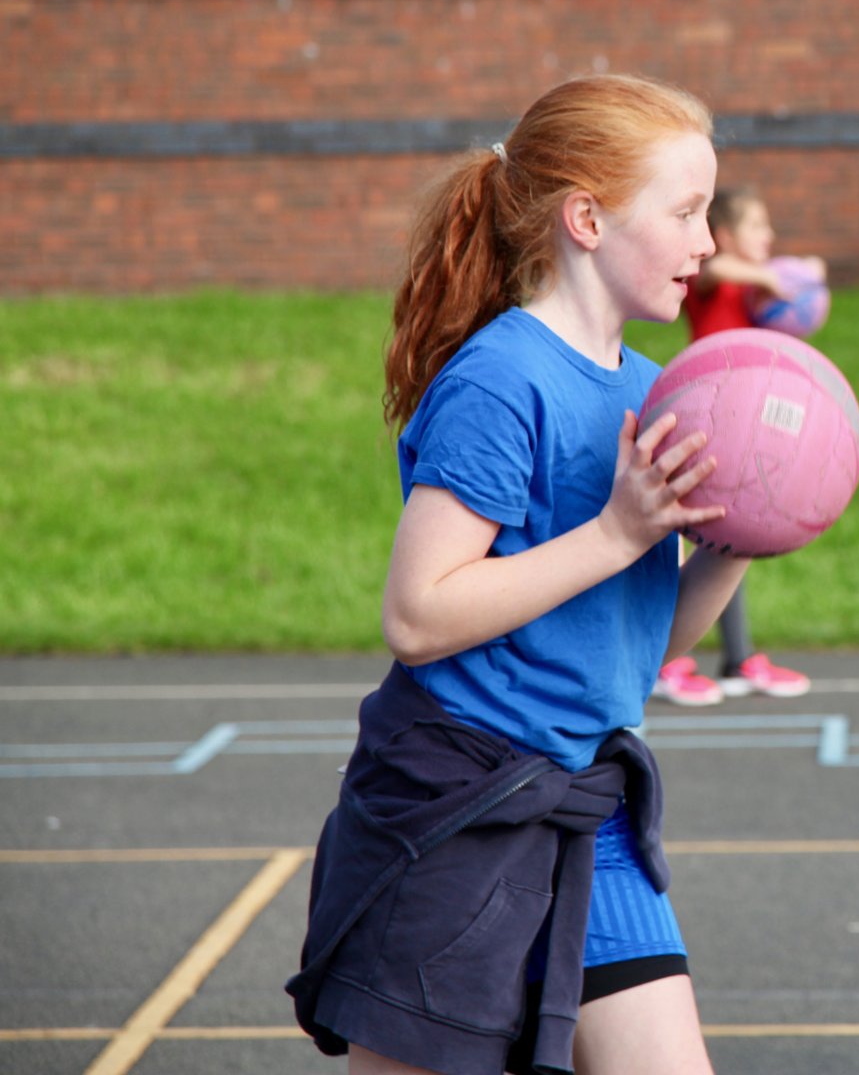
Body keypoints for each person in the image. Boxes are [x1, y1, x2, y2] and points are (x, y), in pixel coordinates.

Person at [287, 74, 748, 1075]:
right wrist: (620, 530)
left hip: (590, 807)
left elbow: (636, 645)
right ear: (586, 218)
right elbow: (417, 613)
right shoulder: (502, 381)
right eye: (684, 212)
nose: (707, 242)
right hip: (459, 807)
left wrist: (724, 553)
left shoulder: (654, 391)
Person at [650, 186, 821, 706]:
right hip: (705, 421)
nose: (767, 237)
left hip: (745, 430)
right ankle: (665, 660)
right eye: (756, 227)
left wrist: (800, 273)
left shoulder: (755, 294)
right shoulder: (712, 280)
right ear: (724, 236)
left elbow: (795, 279)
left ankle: (738, 658)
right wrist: (775, 275)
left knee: (726, 544)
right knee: (687, 539)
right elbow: (722, 271)